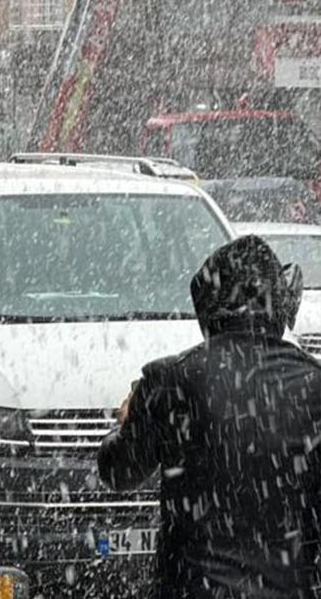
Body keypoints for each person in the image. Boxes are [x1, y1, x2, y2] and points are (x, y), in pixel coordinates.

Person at [98, 235, 321, 598]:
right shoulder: (314, 384)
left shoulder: (172, 379)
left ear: (209, 309)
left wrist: (126, 422)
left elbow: (117, 472)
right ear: (279, 303)